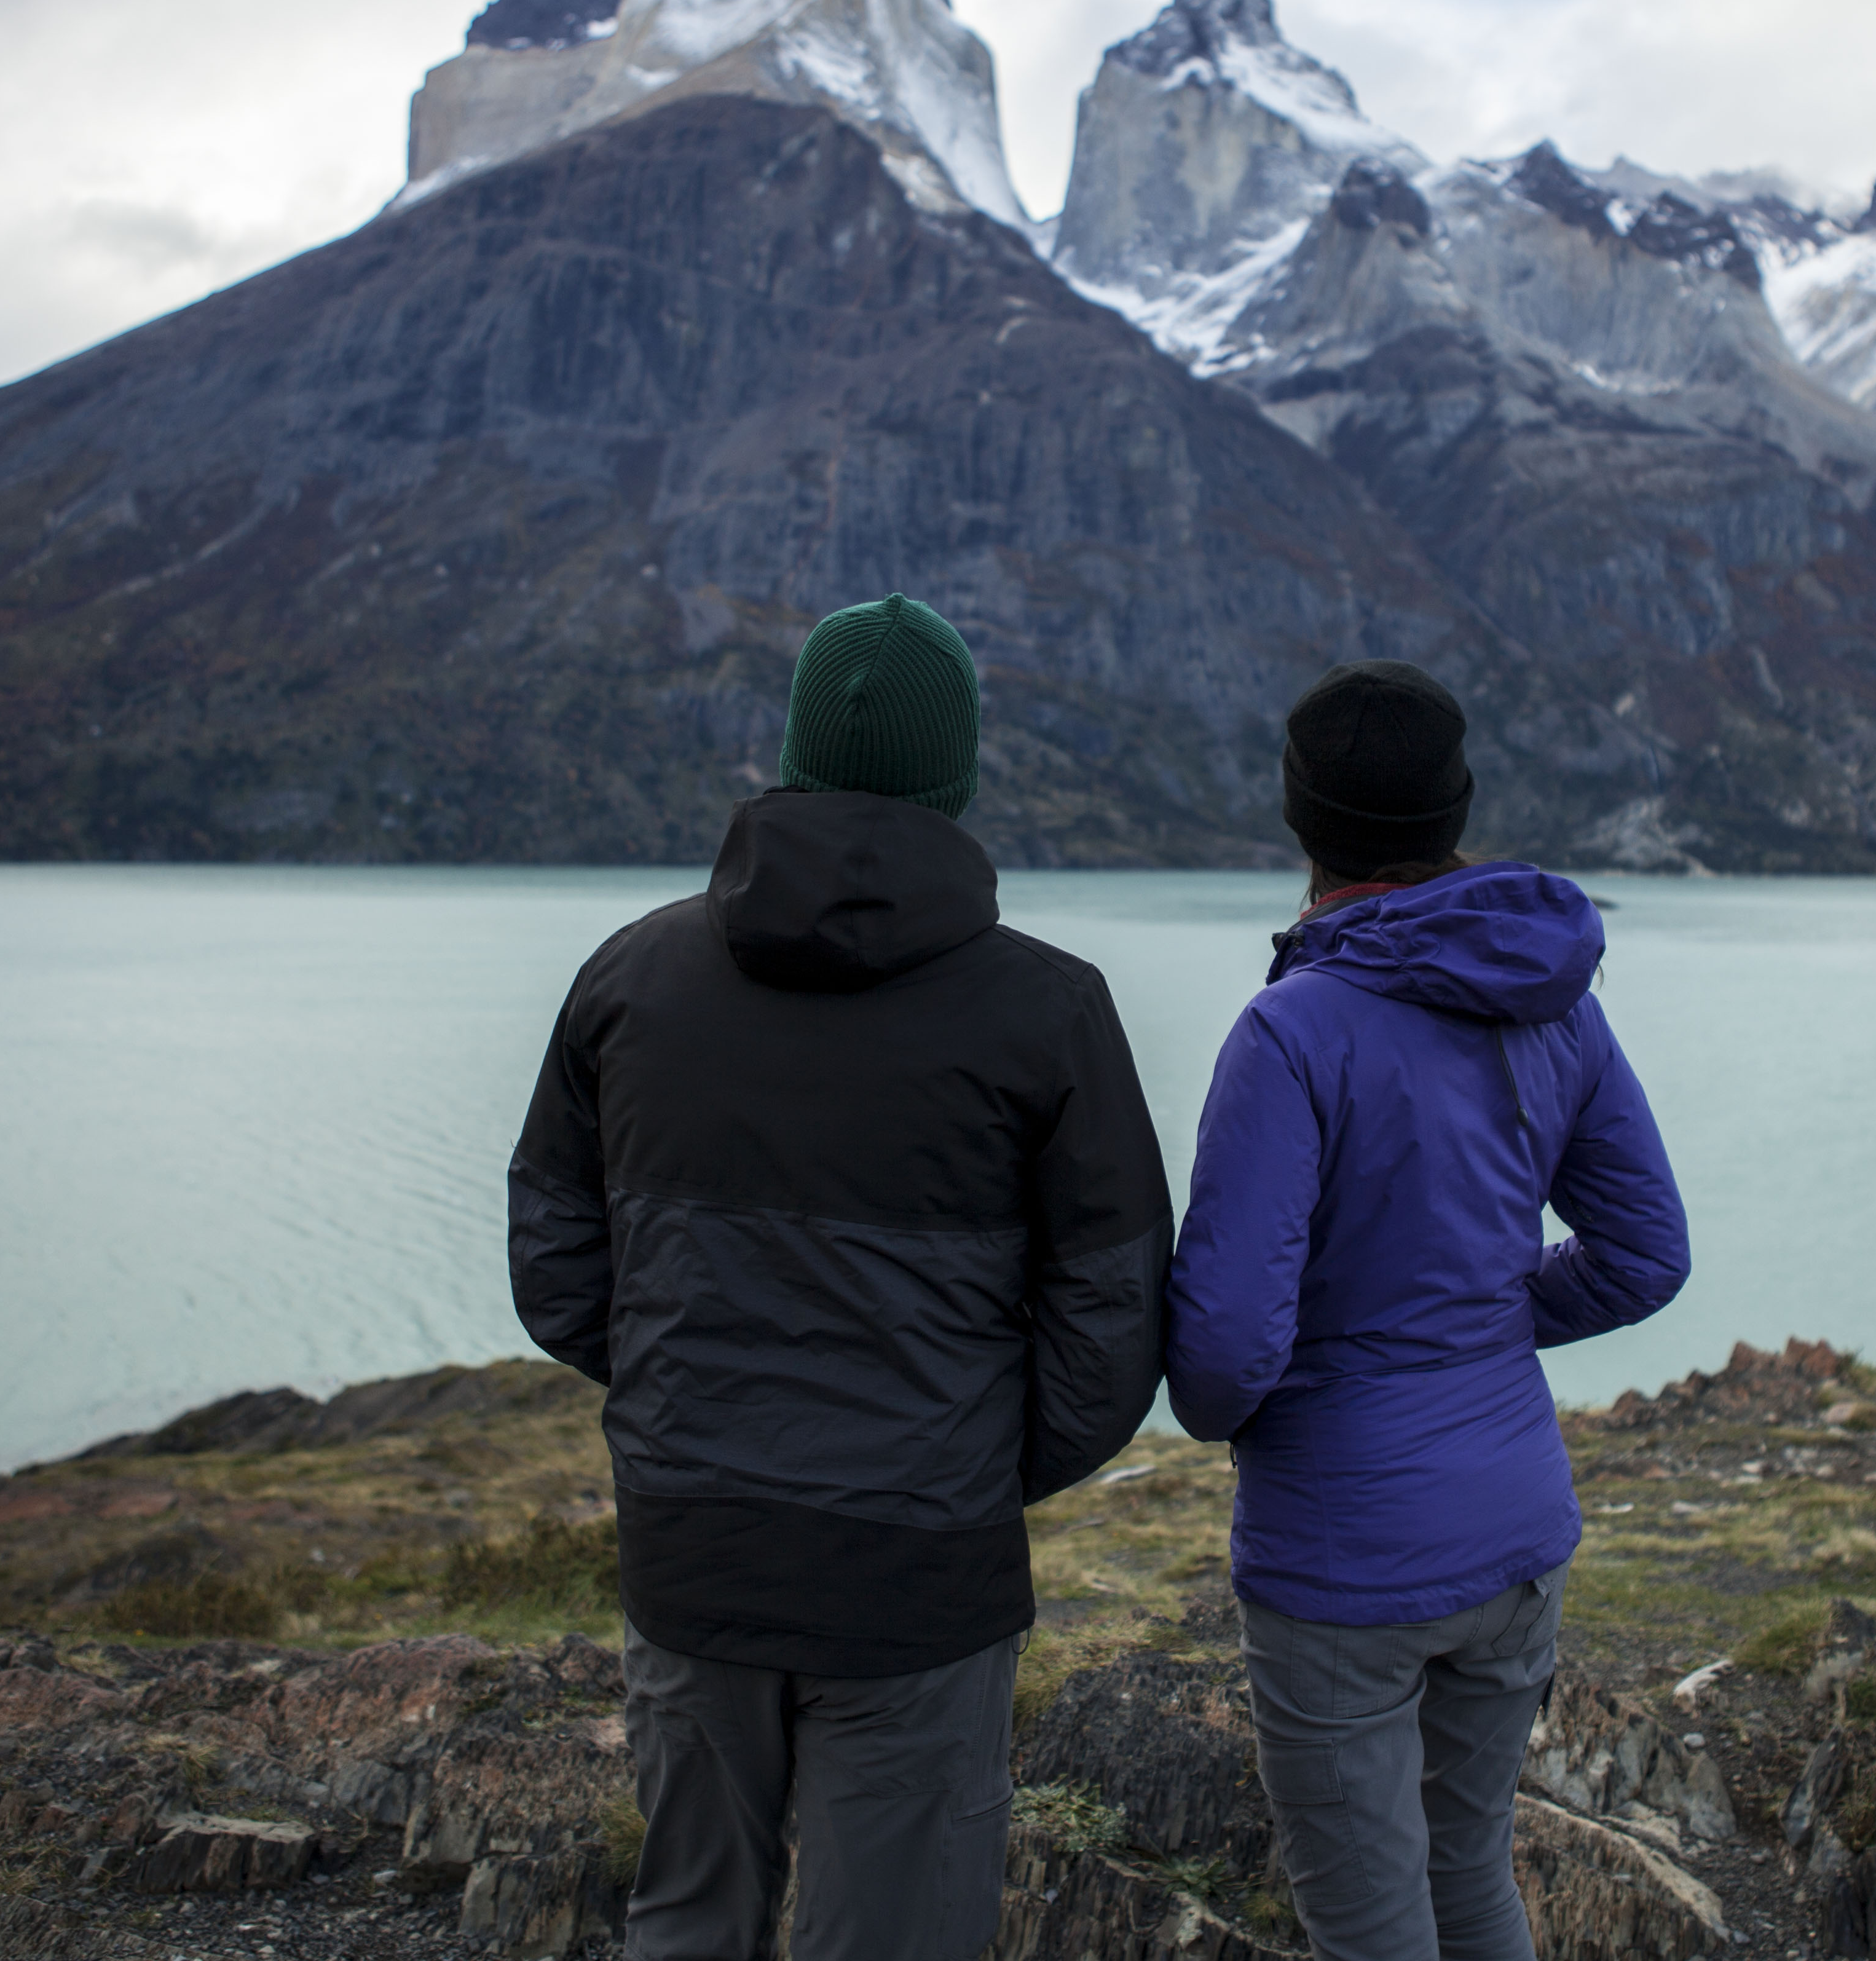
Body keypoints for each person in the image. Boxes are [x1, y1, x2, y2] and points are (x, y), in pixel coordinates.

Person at [506, 593, 1172, 1961]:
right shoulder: (1049, 1011)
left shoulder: (629, 979)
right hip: (921, 1577)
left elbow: (555, 1260)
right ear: (960, 775)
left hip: (694, 1545)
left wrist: (684, 1396)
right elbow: (1114, 1321)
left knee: (687, 1925)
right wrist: (969, 1465)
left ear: (798, 749)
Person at [1167, 658, 1690, 1961]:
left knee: (1369, 1927)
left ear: (1301, 819)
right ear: (1454, 806)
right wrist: (1485, 1321)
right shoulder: (1551, 997)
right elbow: (1644, 1257)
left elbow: (1227, 1359)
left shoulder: (1291, 1033)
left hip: (1343, 1560)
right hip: (1518, 1535)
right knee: (1472, 1876)